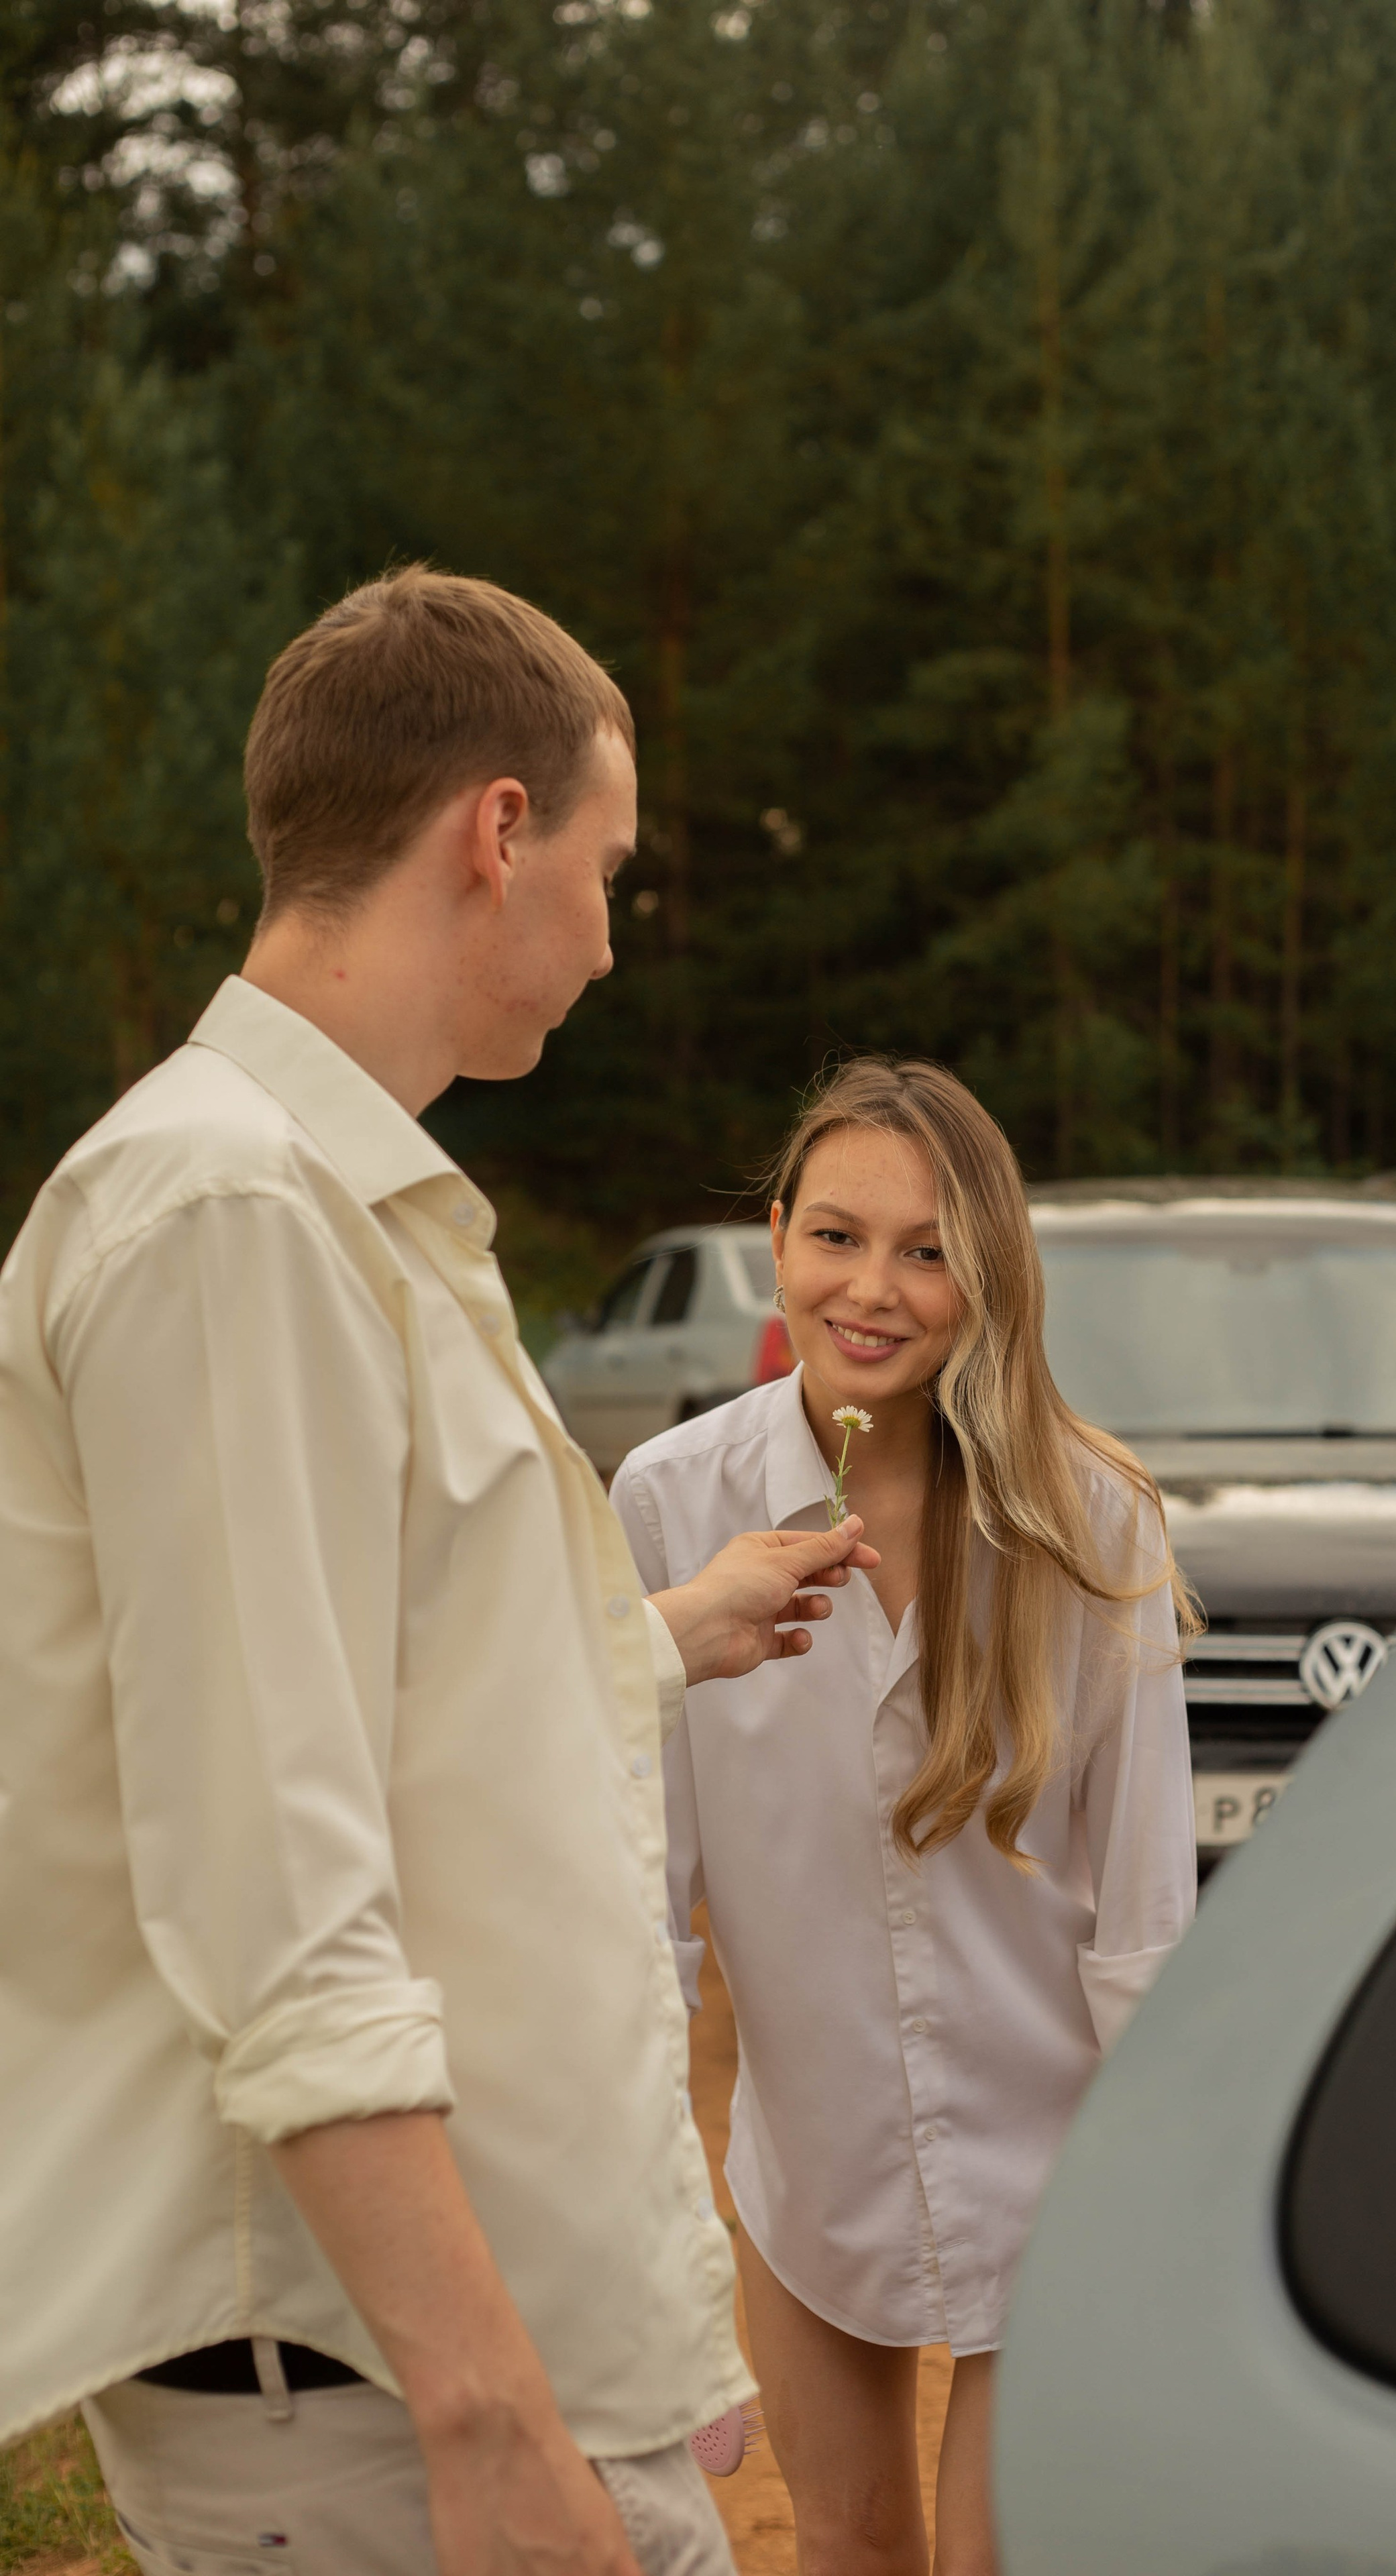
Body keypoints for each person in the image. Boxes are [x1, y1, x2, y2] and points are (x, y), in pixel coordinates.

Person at [0, 566, 880, 2576]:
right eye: (609, 868)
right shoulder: (228, 1215)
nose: (612, 936)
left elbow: (380, 1706)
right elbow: (272, 1878)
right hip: (384, 2406)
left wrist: (662, 1640)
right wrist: (488, 2420)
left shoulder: (321, 1198)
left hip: (445, 2375)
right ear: (497, 830)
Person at [610, 1059, 1199, 2576]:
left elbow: (1145, 1918)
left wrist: (1167, 2206)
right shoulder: (669, 1505)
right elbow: (640, 1904)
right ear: (775, 1240)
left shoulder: (1096, 1521)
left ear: (988, 1276)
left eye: (927, 1251)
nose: (872, 1289)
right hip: (809, 2167)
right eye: (836, 1236)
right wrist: (649, 2204)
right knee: (853, 2545)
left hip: (1057, 2169)